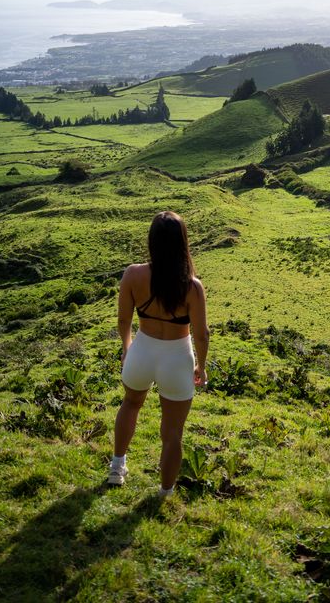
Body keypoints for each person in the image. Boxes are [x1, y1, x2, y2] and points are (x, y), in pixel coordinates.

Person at [109, 211, 209, 497]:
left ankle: (117, 468)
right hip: (177, 359)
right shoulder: (192, 287)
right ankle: (165, 493)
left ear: (152, 241)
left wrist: (128, 348)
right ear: (183, 243)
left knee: (130, 405)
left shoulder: (133, 274)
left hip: (142, 351)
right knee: (173, 432)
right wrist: (201, 367)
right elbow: (201, 335)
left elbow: (123, 320)